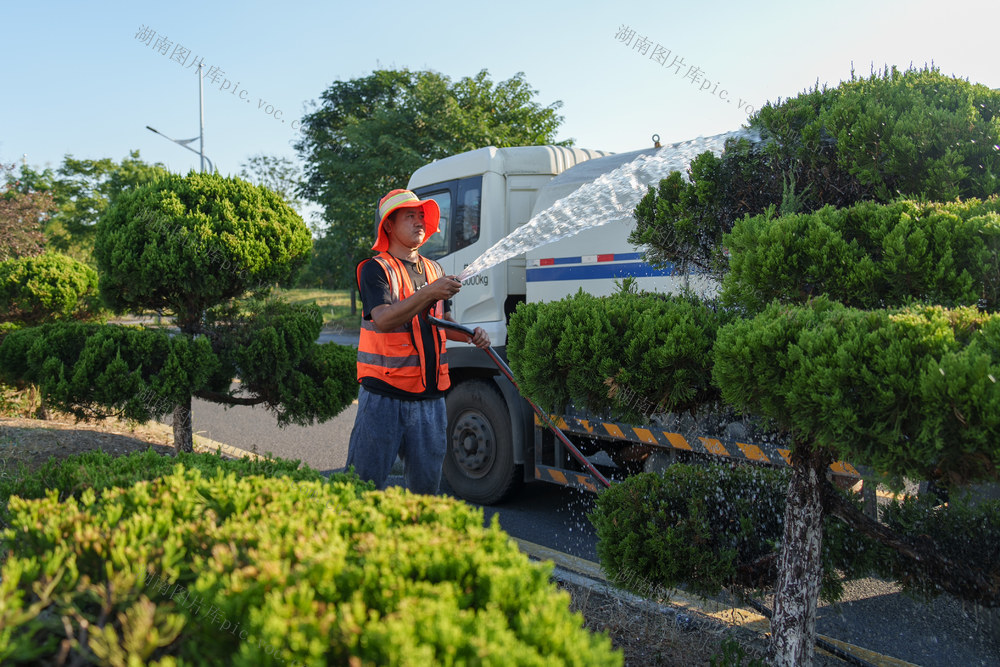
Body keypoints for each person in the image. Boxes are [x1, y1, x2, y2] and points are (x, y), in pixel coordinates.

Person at [346, 189, 490, 494]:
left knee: (424, 495)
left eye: (422, 215)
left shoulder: (434, 270)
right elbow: (383, 320)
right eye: (410, 215)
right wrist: (428, 292)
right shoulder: (375, 269)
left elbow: (440, 324)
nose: (419, 221)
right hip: (384, 398)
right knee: (361, 490)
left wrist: (470, 334)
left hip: (430, 402)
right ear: (389, 225)